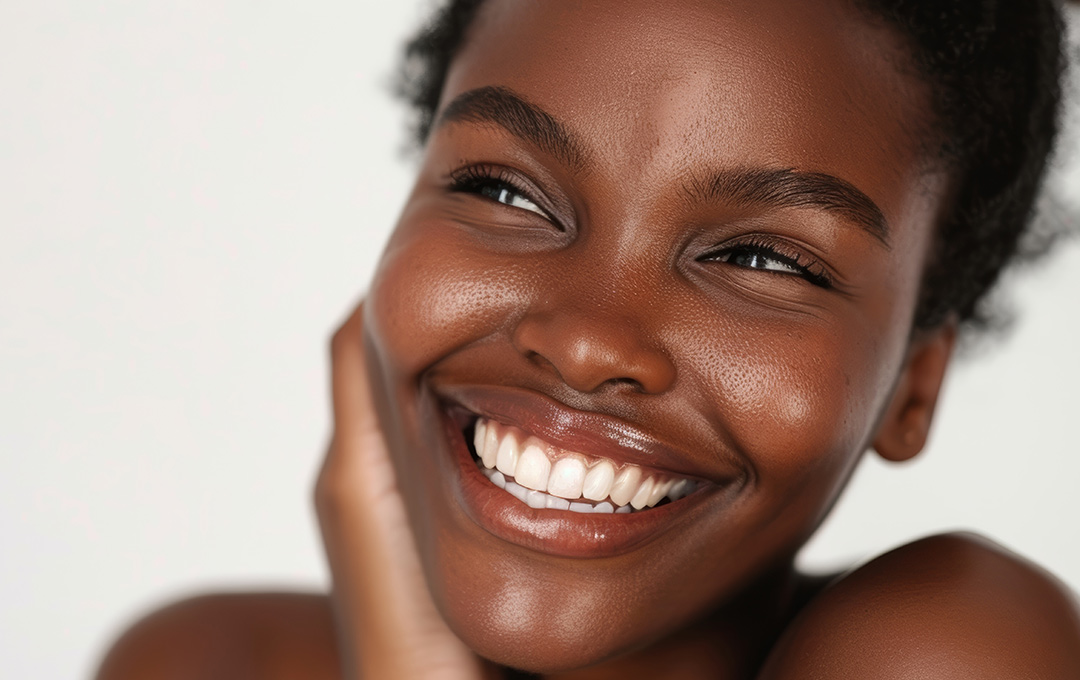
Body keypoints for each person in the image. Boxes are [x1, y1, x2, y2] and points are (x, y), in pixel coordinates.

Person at [95, 1, 1080, 678]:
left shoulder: (958, 649)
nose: (584, 341)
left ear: (913, 383)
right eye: (504, 191)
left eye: (765, 261)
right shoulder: (208, 659)